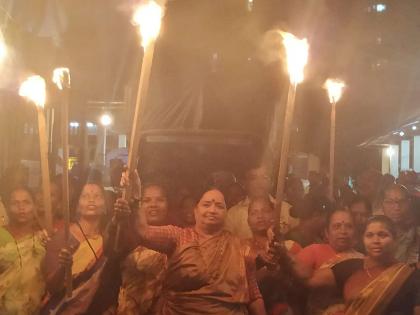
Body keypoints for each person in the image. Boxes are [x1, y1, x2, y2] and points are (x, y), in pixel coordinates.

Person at [114, 185, 266, 315]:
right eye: (206, 205)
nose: (212, 210)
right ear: (195, 211)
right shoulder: (178, 237)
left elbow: (253, 295)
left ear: (226, 212)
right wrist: (134, 197)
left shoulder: (240, 247)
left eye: (219, 206)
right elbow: (143, 231)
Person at [308, 215, 420, 315]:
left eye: (382, 235)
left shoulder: (409, 276)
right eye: (369, 235)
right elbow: (307, 283)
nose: (375, 240)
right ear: (363, 239)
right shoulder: (350, 267)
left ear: (395, 239)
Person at [42, 182, 108, 314]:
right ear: (77, 205)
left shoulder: (107, 239)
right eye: (85, 196)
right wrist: (63, 267)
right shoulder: (63, 237)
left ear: (105, 205)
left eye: (97, 196)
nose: (91, 199)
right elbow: (52, 287)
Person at [295, 209, 363, 314]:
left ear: (355, 232)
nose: (343, 231)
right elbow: (294, 284)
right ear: (327, 232)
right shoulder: (313, 251)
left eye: (349, 226)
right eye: (337, 226)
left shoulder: (360, 259)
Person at [242, 197, 301, 315]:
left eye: (265, 211)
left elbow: (304, 274)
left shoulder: (290, 246)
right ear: (248, 220)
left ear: (274, 216)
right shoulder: (240, 247)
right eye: (254, 213)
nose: (260, 216)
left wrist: (284, 255)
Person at [116, 183, 169, 315]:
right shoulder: (127, 233)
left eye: (160, 200)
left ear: (168, 204)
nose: (153, 205)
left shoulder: (177, 237)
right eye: (147, 200)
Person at [0, 186, 46, 315]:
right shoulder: (1, 235)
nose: (21, 208)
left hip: (33, 308)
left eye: (26, 202)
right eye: (15, 203)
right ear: (8, 207)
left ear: (34, 206)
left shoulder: (43, 239)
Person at [225, 165, 298, 238]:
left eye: (265, 177)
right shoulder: (233, 214)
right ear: (245, 183)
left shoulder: (286, 209)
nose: (259, 182)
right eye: (253, 178)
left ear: (271, 181)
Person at [382, 184, 420, 263]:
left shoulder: (417, 232)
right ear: (382, 204)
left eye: (402, 202)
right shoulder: (375, 231)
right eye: (390, 202)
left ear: (409, 203)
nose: (397, 207)